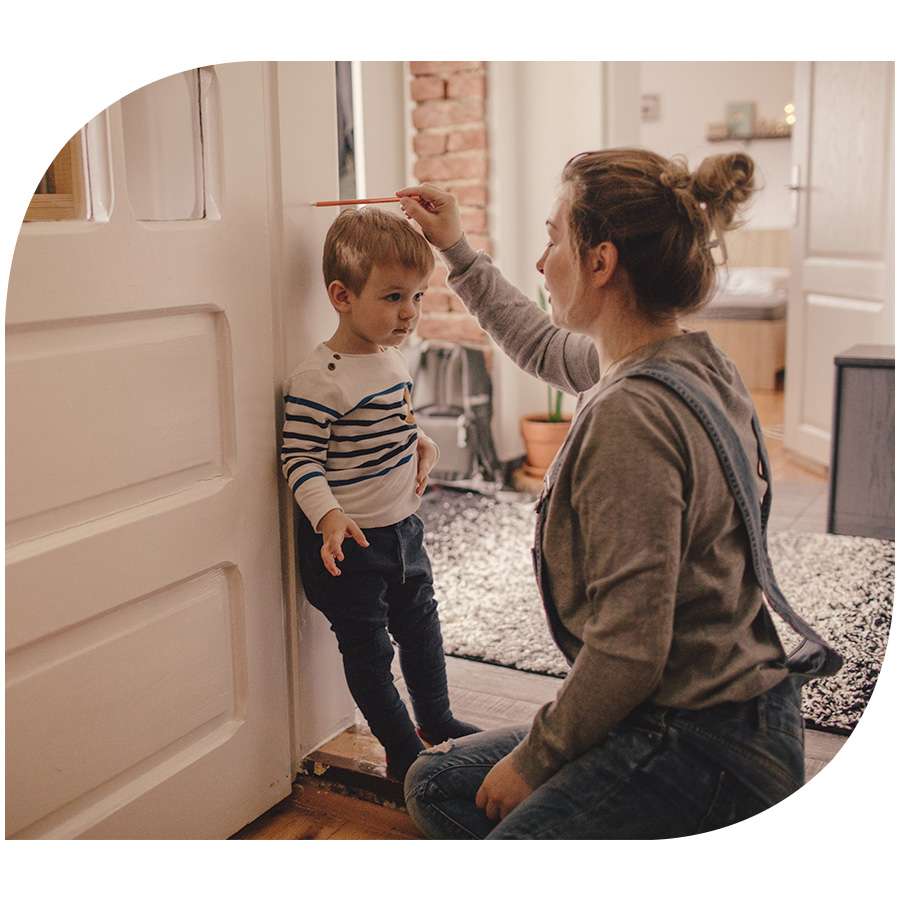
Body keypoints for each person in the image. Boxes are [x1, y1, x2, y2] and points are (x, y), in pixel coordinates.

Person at [395, 149, 809, 838]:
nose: (541, 262)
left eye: (554, 238)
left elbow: (629, 649)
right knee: (435, 782)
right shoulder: (686, 358)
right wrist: (457, 251)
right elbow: (539, 344)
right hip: (726, 709)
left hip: (708, 740)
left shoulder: (631, 417)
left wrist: (536, 760)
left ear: (600, 262)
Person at [281, 207, 480, 780]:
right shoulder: (320, 379)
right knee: (369, 651)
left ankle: (436, 720)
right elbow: (300, 457)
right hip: (350, 545)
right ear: (342, 296)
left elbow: (395, 421)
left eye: (417, 296)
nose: (409, 313)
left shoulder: (391, 359)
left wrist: (421, 442)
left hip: (403, 530)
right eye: (393, 297)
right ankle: (401, 750)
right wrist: (328, 516)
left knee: (423, 629)